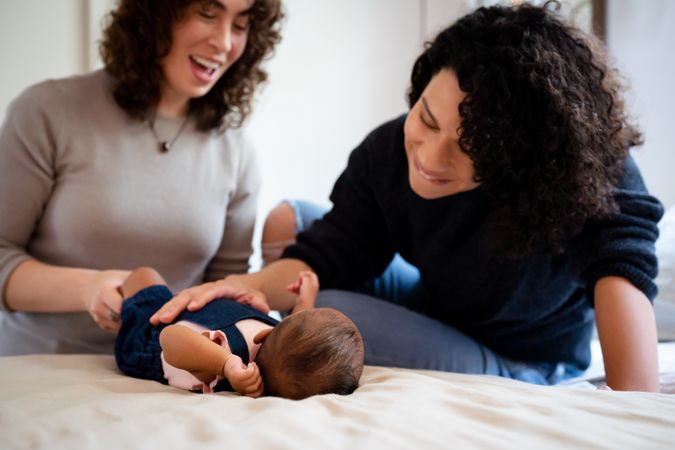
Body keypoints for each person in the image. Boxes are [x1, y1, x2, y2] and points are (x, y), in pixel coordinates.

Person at [151, 2, 664, 392]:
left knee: (324, 316)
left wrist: (629, 412)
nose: (431, 159)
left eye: (470, 150)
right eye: (426, 119)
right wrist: (239, 286)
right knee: (293, 223)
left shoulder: (578, 168)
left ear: (518, 157)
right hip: (436, 297)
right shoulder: (391, 151)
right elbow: (332, 250)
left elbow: (622, 273)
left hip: (519, 352)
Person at [0, 0, 283, 355]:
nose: (224, 42)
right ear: (153, 16)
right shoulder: (46, 111)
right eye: (208, 14)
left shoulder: (237, 152)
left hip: (164, 375)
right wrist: (89, 288)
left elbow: (224, 287)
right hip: (42, 367)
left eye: (240, 26)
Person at [116, 267, 364, 400]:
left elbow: (170, 338)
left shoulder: (225, 357)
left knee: (143, 276)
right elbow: (296, 328)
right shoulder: (284, 345)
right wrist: (305, 298)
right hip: (193, 312)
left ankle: (113, 302)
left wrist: (226, 365)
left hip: (149, 335)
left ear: (263, 338)